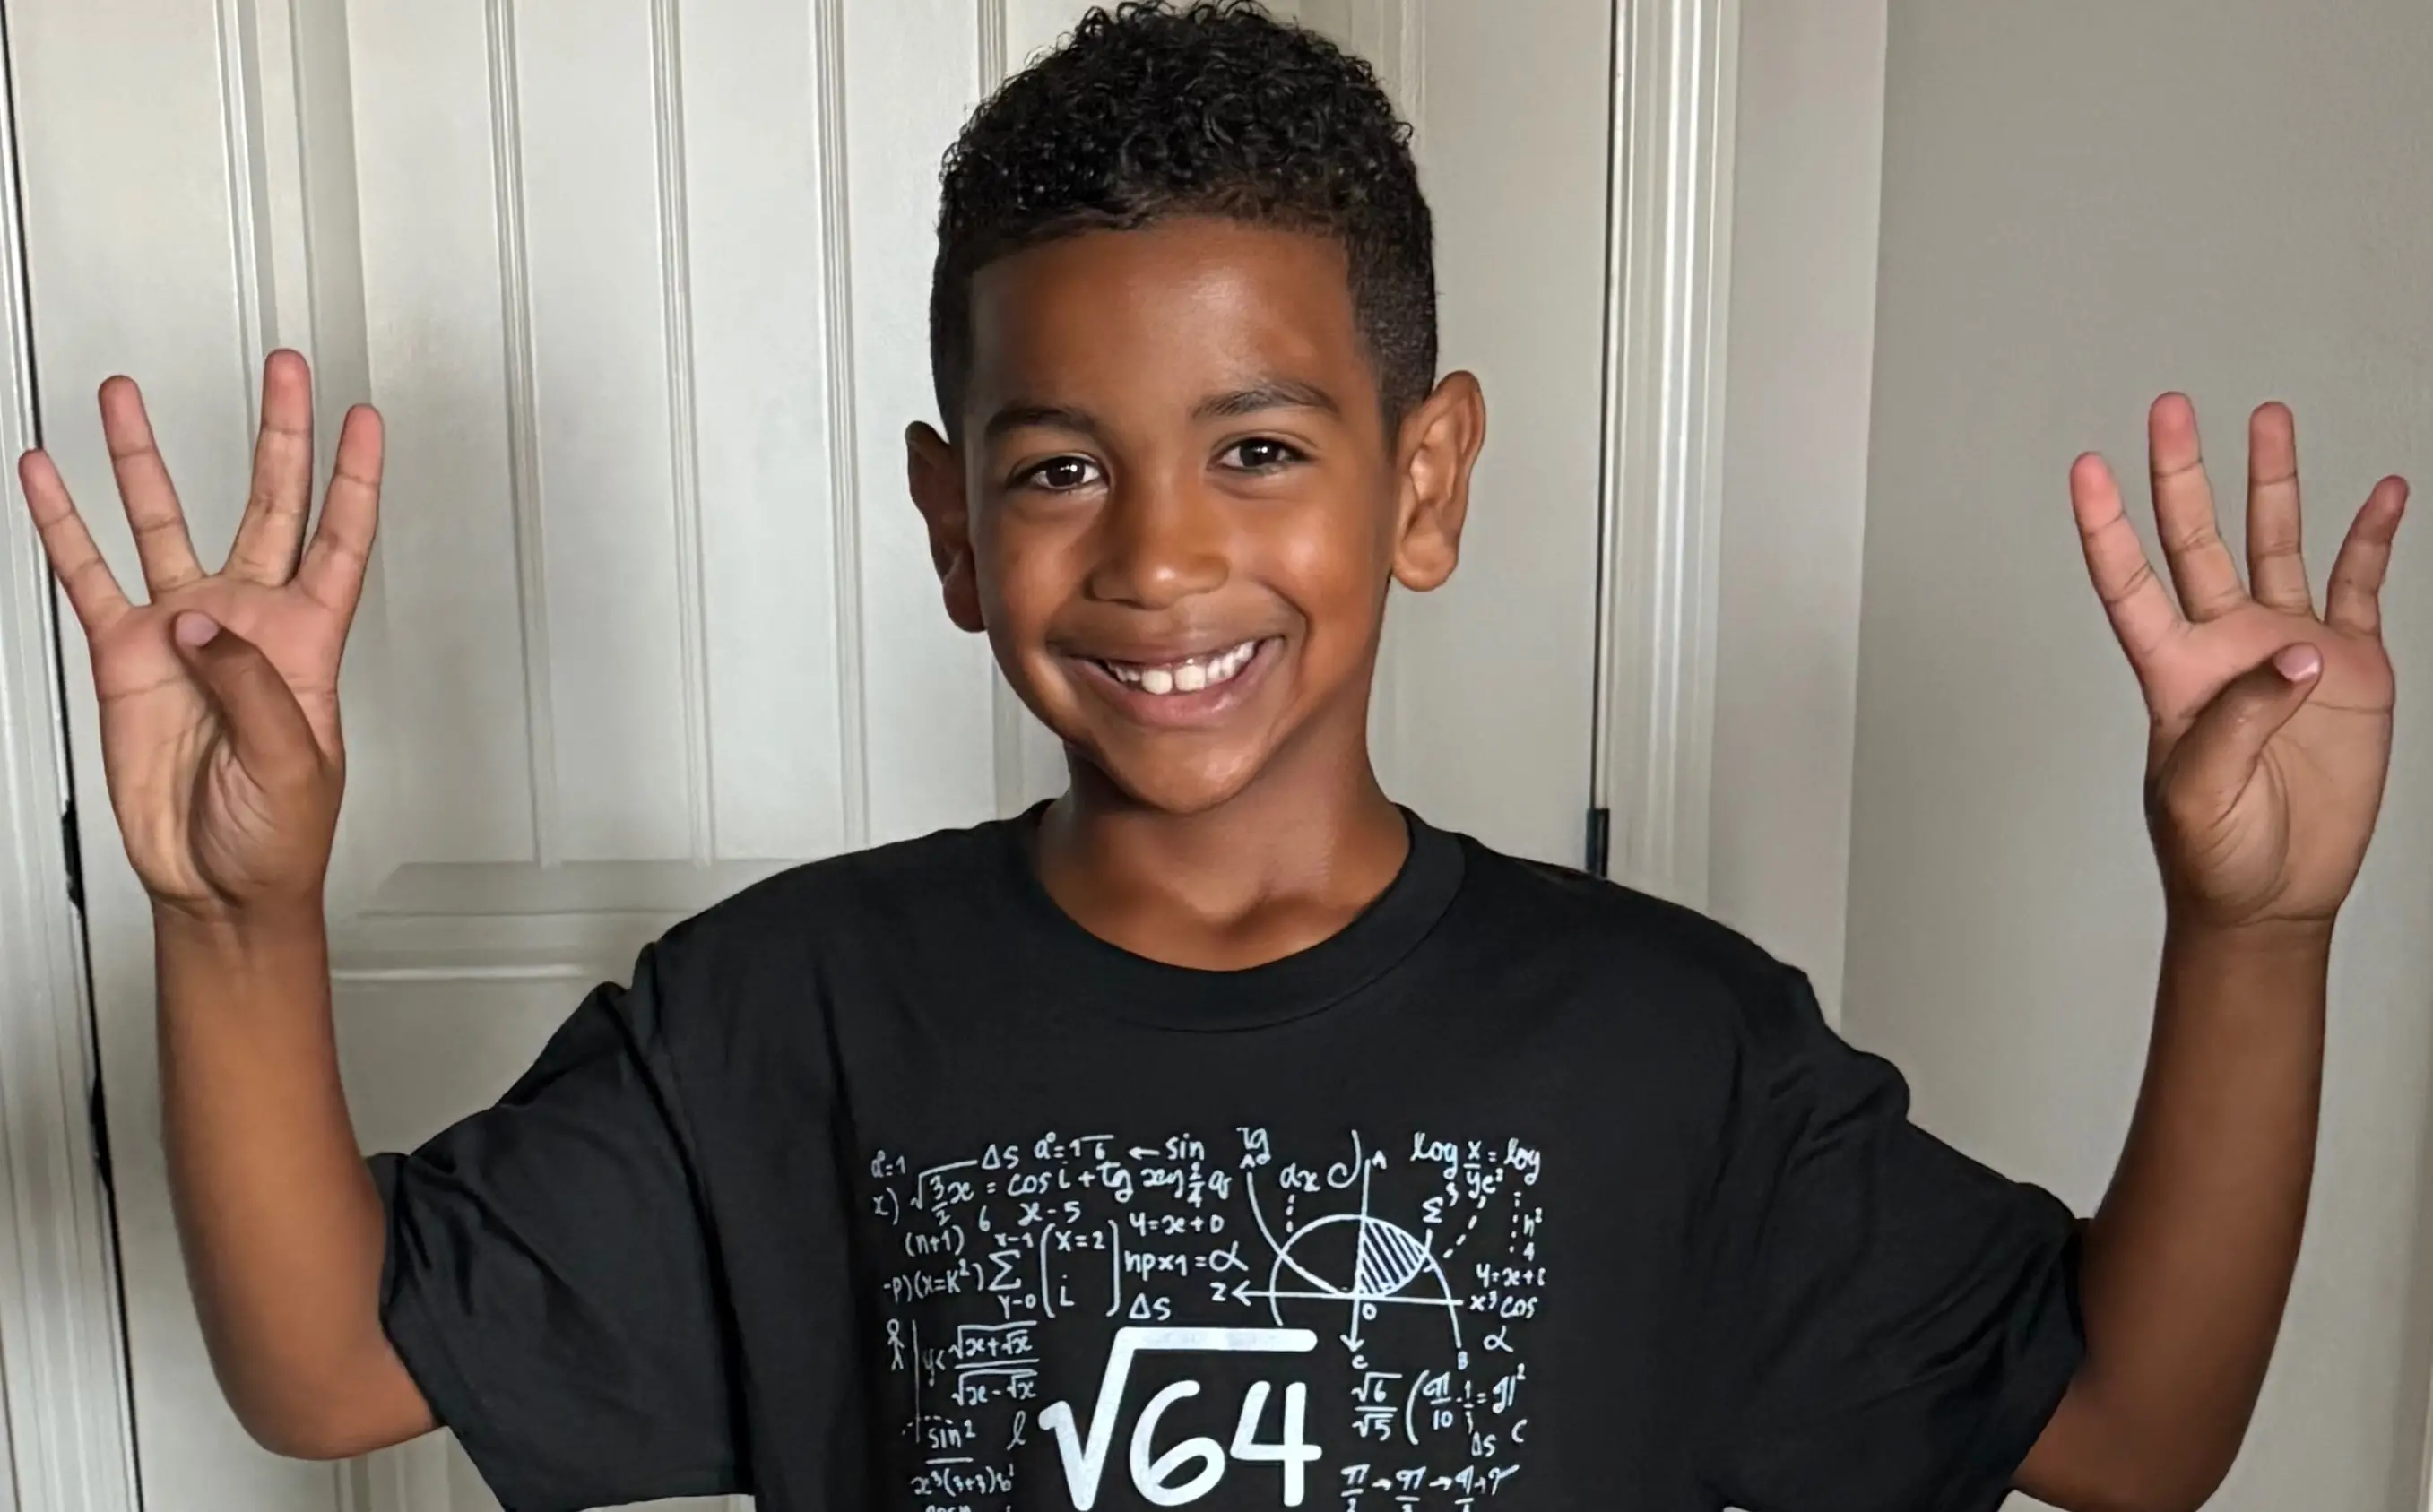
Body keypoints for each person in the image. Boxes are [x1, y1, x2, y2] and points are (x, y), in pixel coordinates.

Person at [18, 4, 2410, 1510]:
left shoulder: (1670, 1047)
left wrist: (2260, 933)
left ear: (1425, 479)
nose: (1161, 554)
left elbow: (2134, 1431)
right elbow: (328, 1363)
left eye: (1259, 448)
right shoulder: (784, 1014)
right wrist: (236, 914)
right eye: (1061, 467)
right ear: (952, 526)